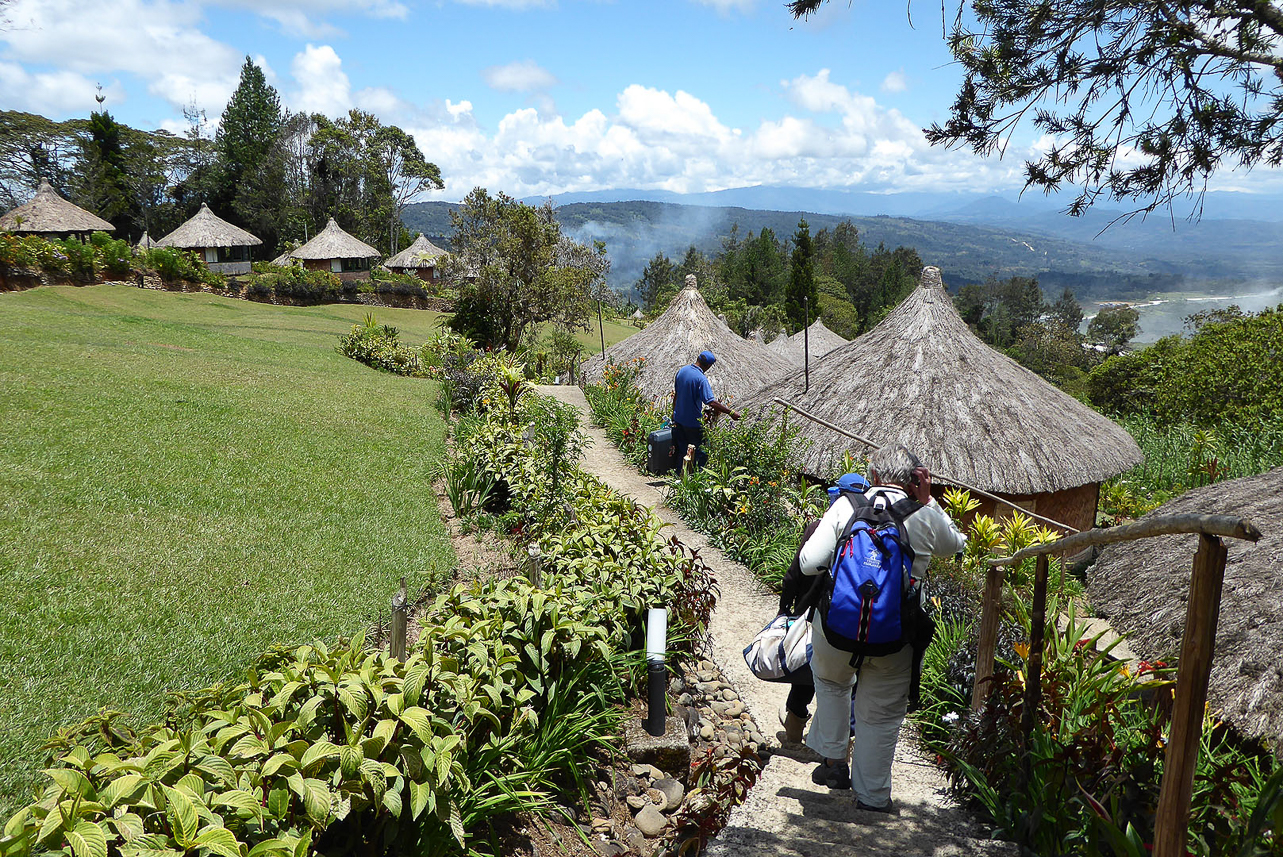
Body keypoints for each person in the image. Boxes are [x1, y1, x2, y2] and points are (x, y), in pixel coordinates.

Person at [797, 444, 967, 813]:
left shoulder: (847, 506)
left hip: (837, 629)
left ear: (873, 476)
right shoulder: (924, 514)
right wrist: (930, 501)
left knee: (832, 684)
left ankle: (833, 763)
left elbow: (809, 563)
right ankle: (872, 799)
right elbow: (957, 546)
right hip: (896, 635)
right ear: (911, 480)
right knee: (882, 716)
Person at [777, 472, 870, 744]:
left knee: (805, 674)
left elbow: (794, 575)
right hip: (851, 619)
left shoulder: (817, 528)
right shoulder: (870, 534)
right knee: (846, 683)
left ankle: (794, 732)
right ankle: (838, 743)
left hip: (811, 615)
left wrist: (784, 612)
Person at [671, 350, 739, 471]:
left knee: (682, 450)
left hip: (679, 418)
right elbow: (710, 401)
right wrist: (730, 412)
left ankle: (679, 476)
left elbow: (676, 394)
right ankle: (698, 478)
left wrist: (673, 413)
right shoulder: (701, 379)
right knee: (701, 452)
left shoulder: (682, 371)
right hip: (692, 423)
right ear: (708, 366)